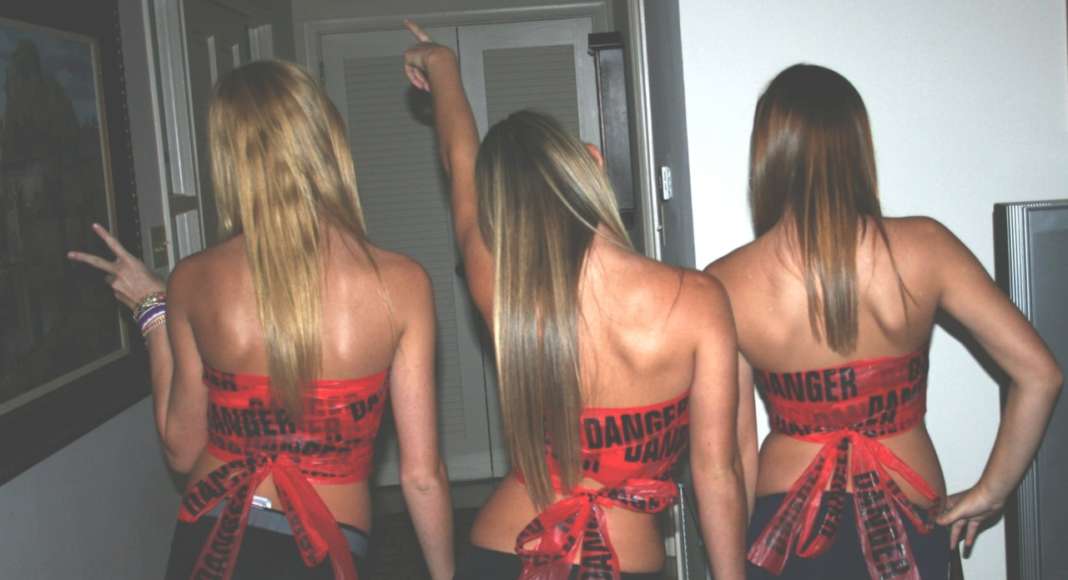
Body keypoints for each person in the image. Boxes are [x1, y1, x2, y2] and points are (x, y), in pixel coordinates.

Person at [67, 60, 454, 580]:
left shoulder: (193, 280)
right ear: (327, 142)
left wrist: (151, 308)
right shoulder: (402, 284)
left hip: (210, 534)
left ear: (230, 160)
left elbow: (182, 451)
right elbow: (423, 477)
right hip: (325, 542)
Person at [400, 21, 746, 580]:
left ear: (500, 212)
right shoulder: (699, 301)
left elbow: (458, 160)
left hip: (504, 553)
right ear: (594, 161)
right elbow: (717, 472)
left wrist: (442, 69)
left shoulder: (500, 288)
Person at [705, 63, 1063, 580]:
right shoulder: (927, 246)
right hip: (911, 524)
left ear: (768, 152)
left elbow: (732, 455)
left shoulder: (725, 282)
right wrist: (992, 492)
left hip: (785, 535)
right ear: (856, 144)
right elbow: (1041, 373)